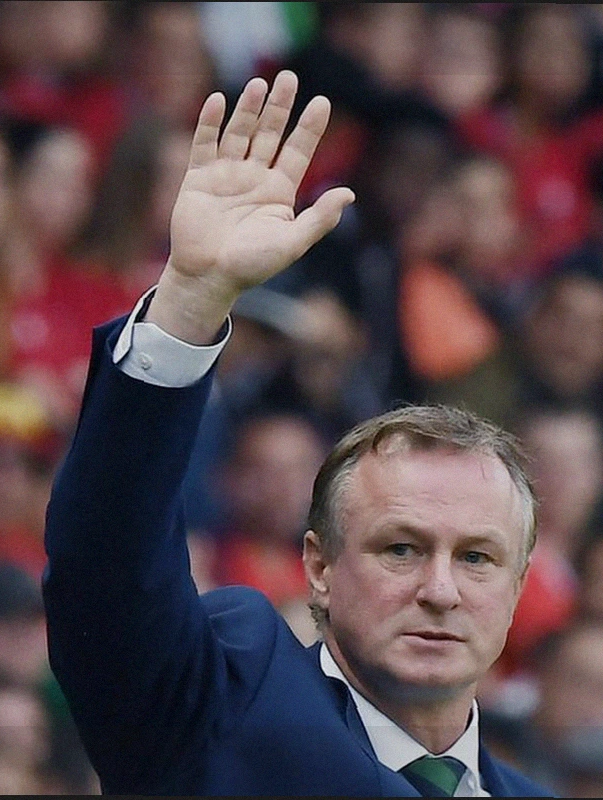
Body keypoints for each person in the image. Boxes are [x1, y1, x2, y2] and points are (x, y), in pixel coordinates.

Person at [43, 70, 549, 795]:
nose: (440, 590)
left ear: (518, 586)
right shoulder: (223, 704)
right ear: (319, 567)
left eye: (476, 558)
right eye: (400, 549)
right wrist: (191, 299)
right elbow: (106, 570)